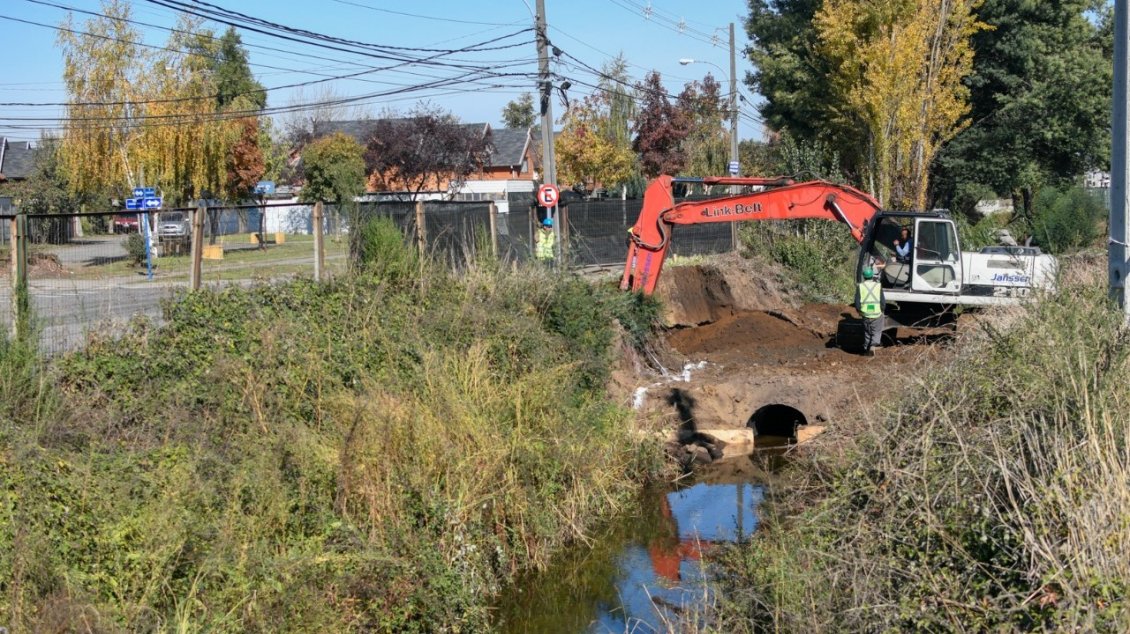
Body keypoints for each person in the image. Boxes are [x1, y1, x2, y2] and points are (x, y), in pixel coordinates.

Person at [854, 266, 884, 357]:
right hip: (876, 313)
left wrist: (859, 311)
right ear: (872, 275)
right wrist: (882, 309)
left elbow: (857, 302)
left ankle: (866, 348)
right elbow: (882, 301)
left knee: (867, 331)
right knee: (877, 331)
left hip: (865, 313)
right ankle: (873, 346)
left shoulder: (861, 286)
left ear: (864, 276)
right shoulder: (878, 285)